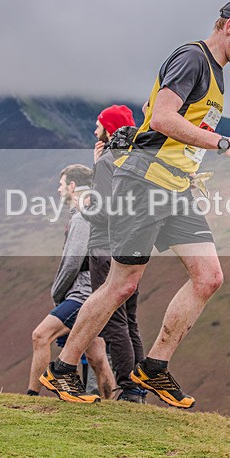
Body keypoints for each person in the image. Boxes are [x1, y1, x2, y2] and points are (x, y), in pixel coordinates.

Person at [41, 0, 230, 408]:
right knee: (122, 284)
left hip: (176, 188)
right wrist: (222, 143)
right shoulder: (193, 58)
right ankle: (62, 369)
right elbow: (162, 119)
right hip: (145, 183)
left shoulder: (216, 73)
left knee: (209, 277)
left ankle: (153, 368)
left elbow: (162, 114)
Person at [29, 164, 116, 401]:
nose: (58, 190)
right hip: (96, 292)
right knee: (97, 356)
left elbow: (71, 263)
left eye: (61, 184)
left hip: (81, 295)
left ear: (72, 186)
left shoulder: (81, 218)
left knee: (40, 335)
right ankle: (111, 405)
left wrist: (57, 293)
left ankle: (31, 397)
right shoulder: (94, 212)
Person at [86, 105, 147, 403]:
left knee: (113, 320)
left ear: (109, 130)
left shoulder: (107, 162)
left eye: (98, 125)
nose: (94, 130)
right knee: (130, 319)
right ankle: (138, 384)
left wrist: (84, 207)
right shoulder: (139, 160)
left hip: (105, 247)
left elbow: (103, 210)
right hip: (134, 247)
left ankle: (129, 387)